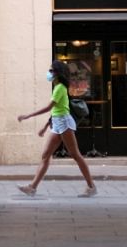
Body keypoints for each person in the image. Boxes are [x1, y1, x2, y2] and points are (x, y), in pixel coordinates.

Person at [16, 60, 97, 197]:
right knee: (45, 155)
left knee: (75, 155)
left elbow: (49, 108)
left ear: (58, 73)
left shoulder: (60, 88)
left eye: (51, 70)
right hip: (58, 123)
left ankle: (91, 186)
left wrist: (28, 115)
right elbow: (55, 112)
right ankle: (32, 187)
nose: (49, 73)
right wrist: (45, 127)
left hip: (64, 123)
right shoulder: (58, 88)